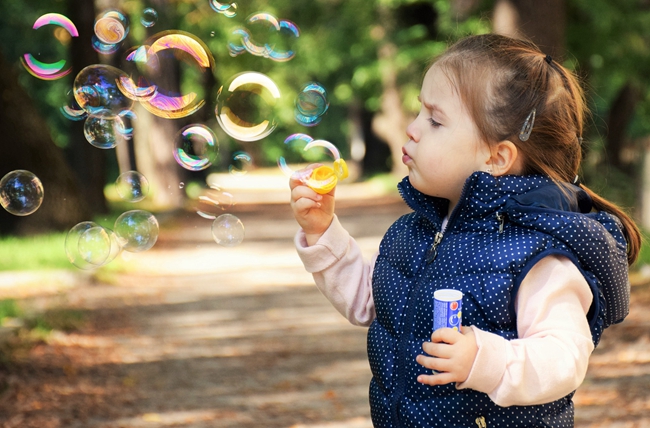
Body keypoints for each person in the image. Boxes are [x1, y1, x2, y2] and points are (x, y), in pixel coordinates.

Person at [289, 33, 641, 428]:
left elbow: (564, 357)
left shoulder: (535, 254)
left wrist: (484, 359)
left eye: (435, 120)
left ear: (496, 157)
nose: (412, 129)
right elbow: (368, 301)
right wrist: (323, 232)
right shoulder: (415, 232)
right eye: (420, 112)